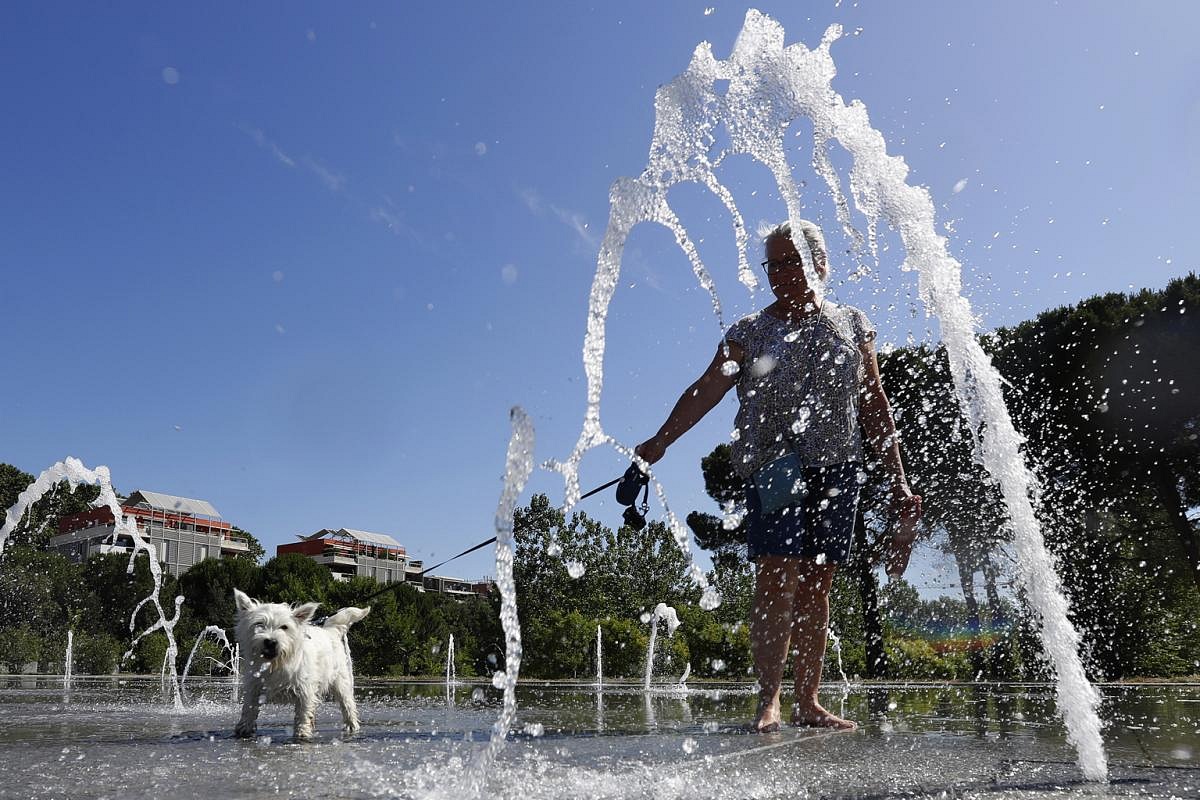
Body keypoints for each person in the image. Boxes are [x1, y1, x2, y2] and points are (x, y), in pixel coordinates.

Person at [635, 220, 922, 731]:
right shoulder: (750, 331)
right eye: (777, 264)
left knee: (818, 586)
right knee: (775, 579)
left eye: (796, 261)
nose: (785, 273)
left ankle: (806, 700)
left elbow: (874, 402)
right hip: (776, 468)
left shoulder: (853, 324)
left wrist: (898, 480)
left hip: (839, 466)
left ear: (822, 263)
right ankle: (768, 699)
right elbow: (707, 387)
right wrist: (661, 441)